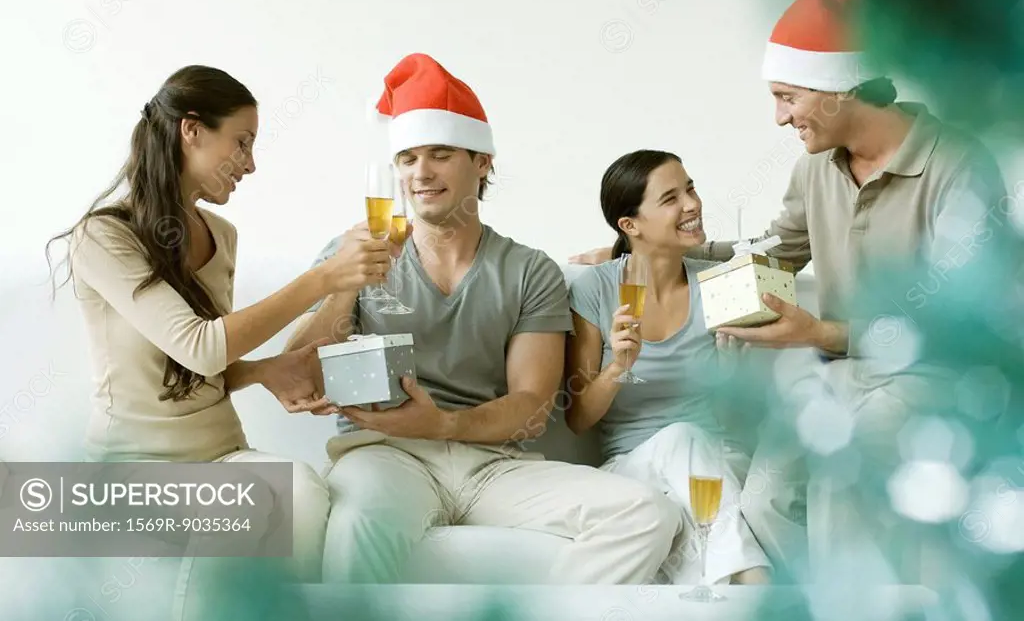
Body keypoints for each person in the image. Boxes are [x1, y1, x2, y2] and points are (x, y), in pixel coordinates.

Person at [569, 0, 1011, 580]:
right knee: (764, 503)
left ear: (839, 90)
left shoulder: (956, 167)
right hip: (840, 381)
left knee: (838, 473)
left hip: (928, 384)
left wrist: (820, 332)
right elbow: (777, 250)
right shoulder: (815, 169)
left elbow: (963, 329)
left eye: (787, 96)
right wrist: (643, 248)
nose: (779, 117)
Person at [286, 52, 680, 584]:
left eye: (440, 153)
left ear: (482, 162)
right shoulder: (350, 251)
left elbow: (532, 409)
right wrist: (344, 285)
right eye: (407, 158)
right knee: (357, 525)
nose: (420, 172)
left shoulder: (527, 270)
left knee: (646, 513)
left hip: (492, 464)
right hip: (384, 456)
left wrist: (443, 423)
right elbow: (297, 375)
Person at [45, 64, 397, 585]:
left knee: (302, 493)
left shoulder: (221, 235)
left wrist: (261, 371)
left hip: (222, 453)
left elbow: (206, 367)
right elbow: (199, 347)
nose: (250, 165)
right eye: (242, 142)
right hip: (136, 469)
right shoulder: (103, 238)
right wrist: (324, 277)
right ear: (192, 130)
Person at [565, 148, 772, 585]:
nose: (692, 204)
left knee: (690, 473)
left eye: (691, 188)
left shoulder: (719, 284)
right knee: (680, 438)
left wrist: (733, 378)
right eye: (670, 198)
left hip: (720, 463)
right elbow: (579, 417)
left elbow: (739, 420)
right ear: (630, 225)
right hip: (634, 467)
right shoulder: (595, 290)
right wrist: (617, 367)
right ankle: (757, 584)